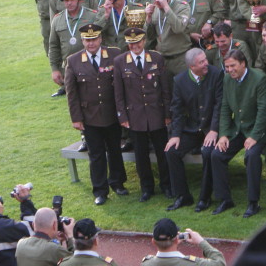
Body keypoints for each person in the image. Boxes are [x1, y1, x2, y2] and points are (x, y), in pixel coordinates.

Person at [64, 24, 128, 206]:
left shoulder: (114, 55)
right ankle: (100, 190)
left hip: (112, 114)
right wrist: (76, 118)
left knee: (115, 150)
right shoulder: (73, 61)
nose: (91, 43)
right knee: (96, 154)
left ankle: (117, 183)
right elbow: (71, 93)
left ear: (100, 39)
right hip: (89, 117)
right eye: (87, 40)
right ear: (82, 41)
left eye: (94, 39)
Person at [211, 49, 266, 218]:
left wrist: (254, 137)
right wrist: (223, 135)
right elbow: (225, 108)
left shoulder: (259, 78)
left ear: (243, 63)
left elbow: (263, 111)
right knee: (217, 155)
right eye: (227, 67)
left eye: (233, 66)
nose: (230, 70)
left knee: (252, 155)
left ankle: (253, 202)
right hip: (238, 129)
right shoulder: (227, 79)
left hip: (258, 129)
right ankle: (225, 199)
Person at [113, 27, 172, 202]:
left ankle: (167, 185)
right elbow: (118, 93)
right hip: (135, 116)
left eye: (137, 42)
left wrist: (167, 113)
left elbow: (165, 89)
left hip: (156, 114)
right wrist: (122, 116)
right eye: (131, 43)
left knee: (162, 152)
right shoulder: (120, 61)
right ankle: (147, 188)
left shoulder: (156, 58)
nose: (135, 46)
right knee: (141, 155)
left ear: (144, 41)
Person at [165, 48, 224, 212]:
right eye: (201, 62)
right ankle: (183, 196)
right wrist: (175, 135)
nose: (206, 64)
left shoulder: (216, 74)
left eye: (205, 60)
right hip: (191, 129)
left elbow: (219, 105)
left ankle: (205, 197)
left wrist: (214, 130)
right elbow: (177, 110)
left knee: (208, 152)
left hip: (210, 129)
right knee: (171, 151)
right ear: (192, 67)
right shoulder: (179, 80)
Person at [49, 0, 105, 97]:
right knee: (73, 99)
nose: (69, 3)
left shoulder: (92, 16)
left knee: (94, 97)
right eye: (66, 0)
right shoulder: (57, 19)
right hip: (69, 68)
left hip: (91, 66)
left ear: (79, 0)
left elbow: (103, 40)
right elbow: (54, 46)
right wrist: (55, 69)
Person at [142, 218, 226, 266]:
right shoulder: (192, 264)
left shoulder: (146, 263)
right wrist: (201, 241)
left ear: (153, 242)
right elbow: (220, 263)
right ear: (176, 239)